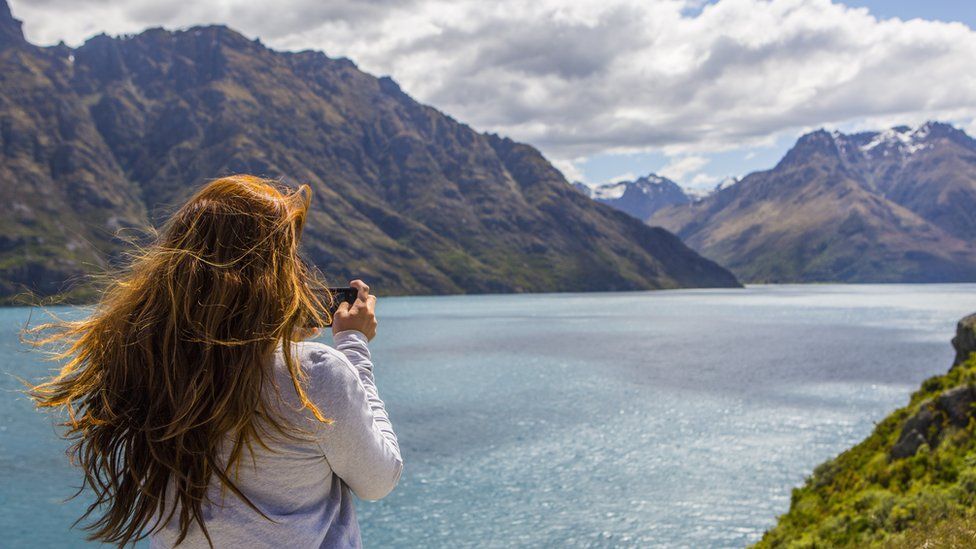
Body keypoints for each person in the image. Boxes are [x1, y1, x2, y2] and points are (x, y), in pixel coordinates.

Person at [27, 175, 402, 548]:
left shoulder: (143, 364)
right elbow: (378, 479)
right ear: (271, 275)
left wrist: (273, 337)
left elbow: (226, 360)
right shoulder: (315, 374)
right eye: (289, 259)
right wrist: (353, 346)